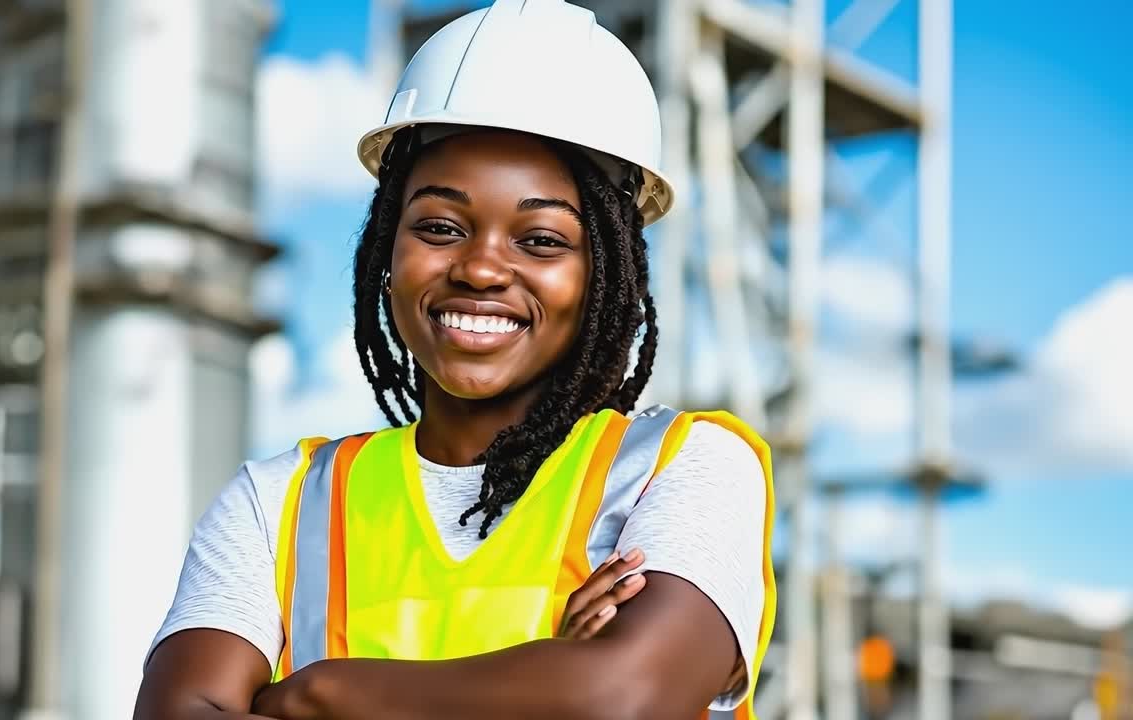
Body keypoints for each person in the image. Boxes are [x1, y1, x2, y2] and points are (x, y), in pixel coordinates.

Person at [135, 1, 775, 718]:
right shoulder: (278, 504)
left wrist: (317, 692)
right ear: (385, 248)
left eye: (540, 240)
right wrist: (547, 677)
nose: (479, 269)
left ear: (605, 275)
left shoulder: (685, 469)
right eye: (440, 226)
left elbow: (621, 696)